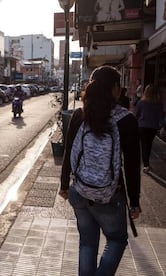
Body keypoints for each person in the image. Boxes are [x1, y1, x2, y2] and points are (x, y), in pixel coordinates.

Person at [59, 65, 141, 276]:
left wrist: (64, 185)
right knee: (116, 240)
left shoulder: (80, 114)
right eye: (119, 87)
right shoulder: (126, 120)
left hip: (79, 191)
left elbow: (69, 151)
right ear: (114, 88)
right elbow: (132, 166)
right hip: (109, 196)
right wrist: (134, 201)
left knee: (87, 243)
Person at [134, 84, 164, 173]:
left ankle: (145, 164)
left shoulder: (141, 102)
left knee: (143, 144)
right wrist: (161, 126)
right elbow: (161, 116)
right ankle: (146, 163)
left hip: (142, 126)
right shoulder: (159, 104)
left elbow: (137, 114)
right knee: (148, 145)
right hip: (153, 127)